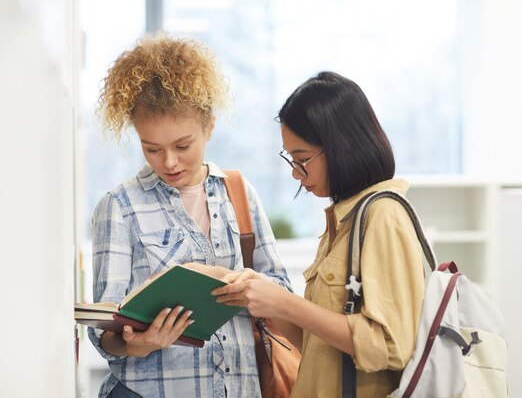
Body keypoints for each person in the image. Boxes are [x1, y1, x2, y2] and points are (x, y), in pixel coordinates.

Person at [88, 34, 292, 398]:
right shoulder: (118, 206)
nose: (168, 162)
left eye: (182, 146)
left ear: (209, 126)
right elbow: (104, 327)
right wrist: (139, 343)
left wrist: (238, 283)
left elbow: (281, 288)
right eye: (152, 148)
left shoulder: (240, 193)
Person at [213, 71, 426, 397]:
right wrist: (262, 300)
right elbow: (320, 343)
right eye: (290, 159)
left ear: (341, 146)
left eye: (302, 159)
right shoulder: (344, 222)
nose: (295, 173)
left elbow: (389, 345)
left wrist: (285, 304)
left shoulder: (383, 216)